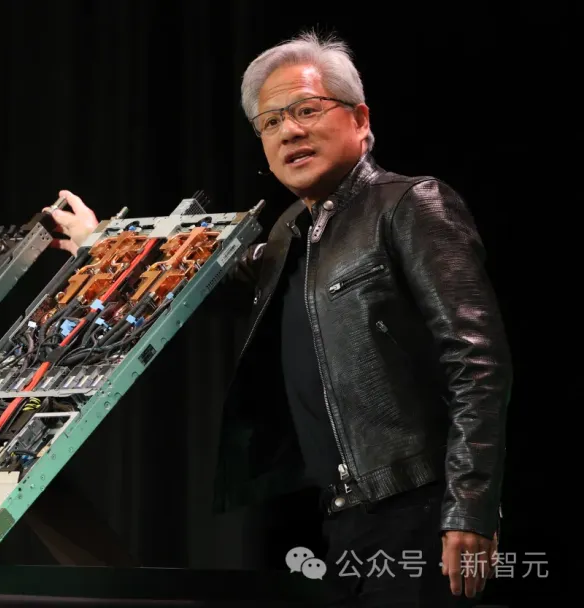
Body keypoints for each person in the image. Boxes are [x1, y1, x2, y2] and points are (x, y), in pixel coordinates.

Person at [45, 31, 511, 607]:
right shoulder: (293, 232)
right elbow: (198, 280)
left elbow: (477, 362)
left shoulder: (409, 205)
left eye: (307, 110)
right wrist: (99, 245)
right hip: (344, 519)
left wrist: (469, 505)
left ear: (360, 119)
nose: (289, 130)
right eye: (270, 122)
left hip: (419, 507)